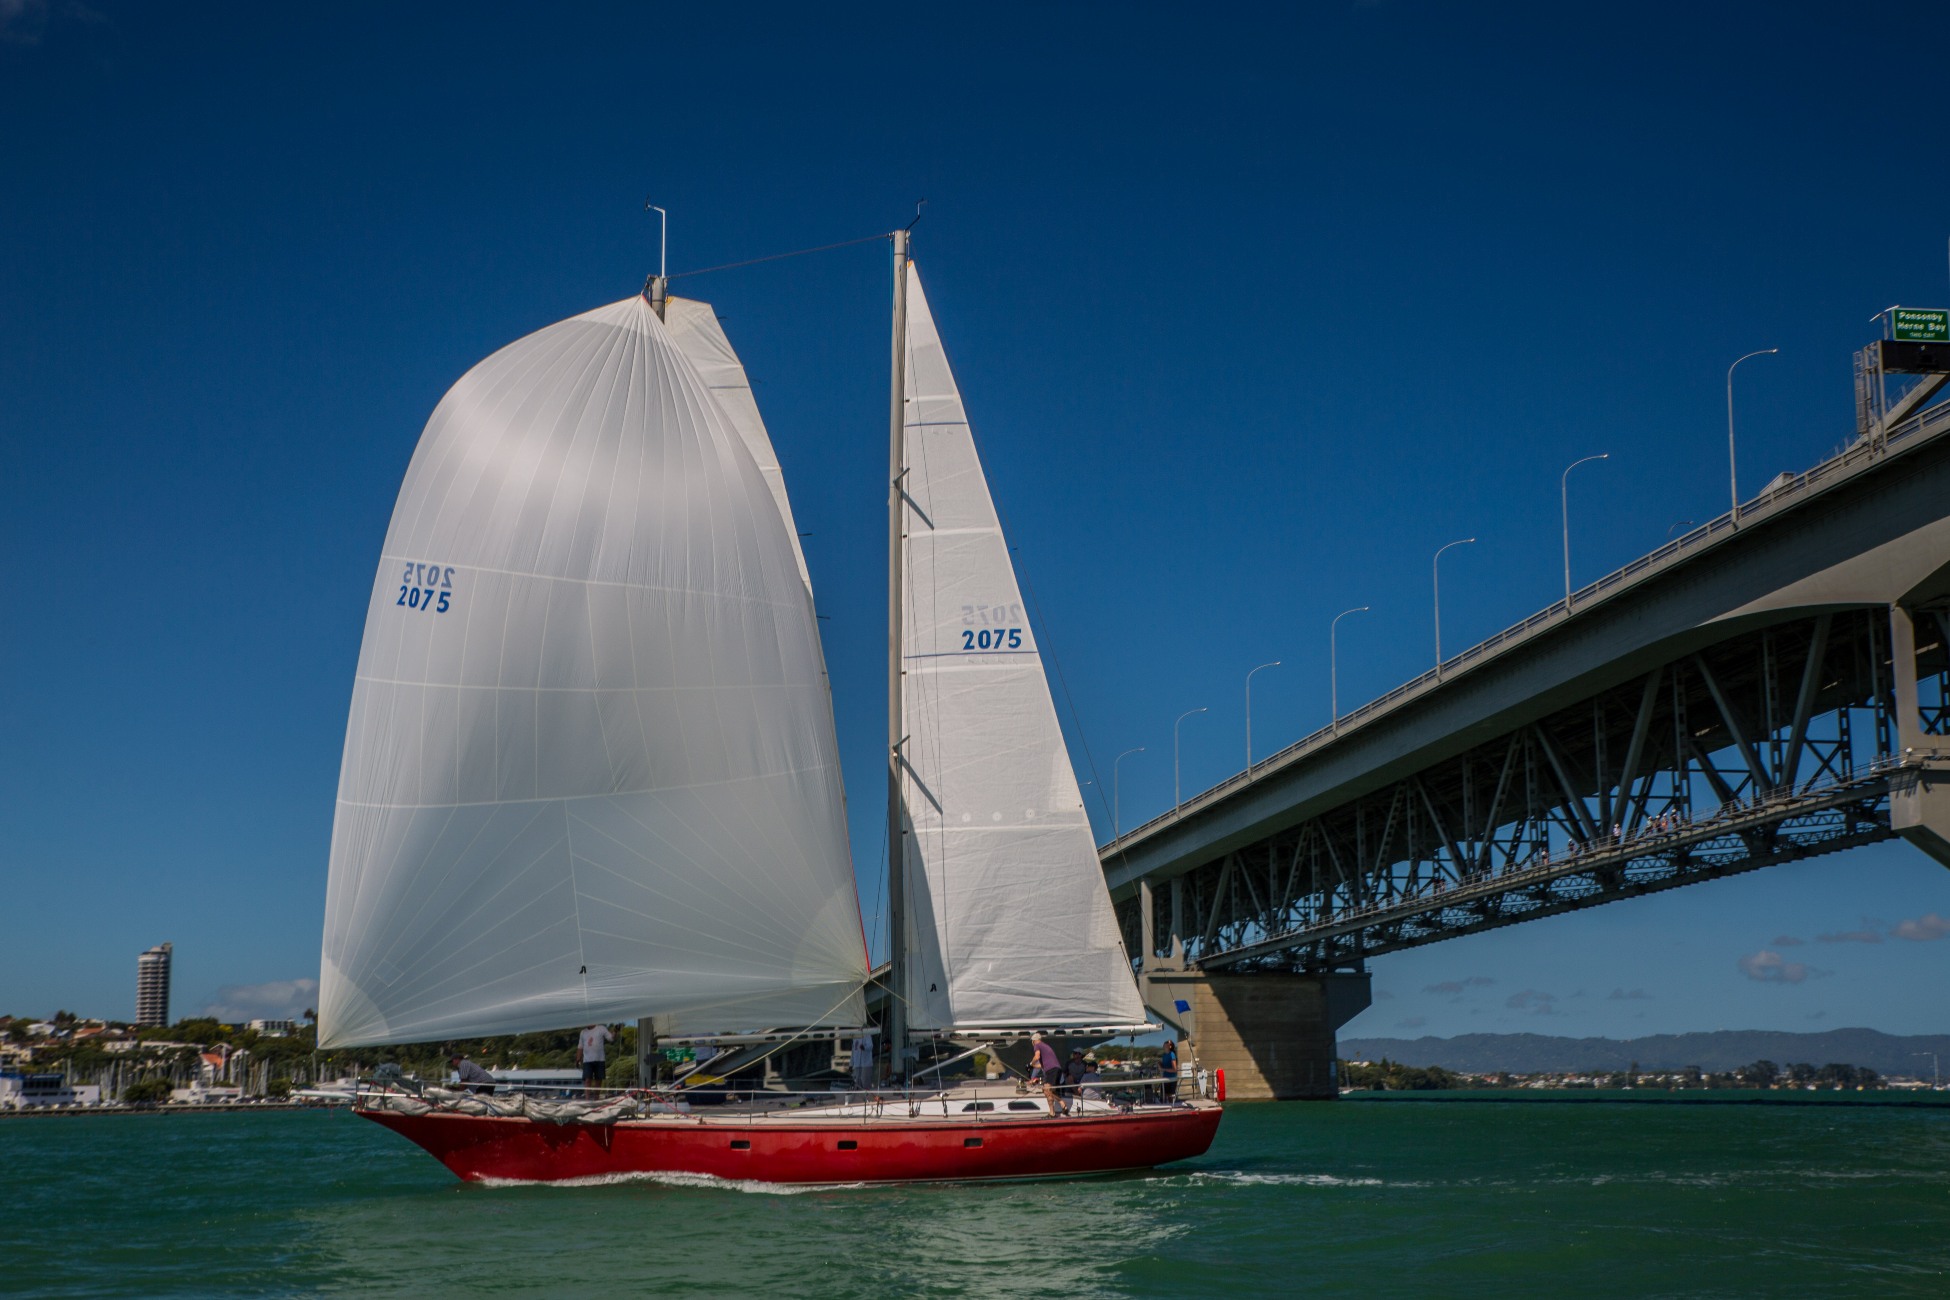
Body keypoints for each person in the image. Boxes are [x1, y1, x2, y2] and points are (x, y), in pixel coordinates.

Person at [577, 1023, 615, 1098]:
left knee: (598, 1080)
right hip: (587, 1060)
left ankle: (596, 1098)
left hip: (599, 1059)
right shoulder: (583, 1032)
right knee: (587, 1079)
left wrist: (615, 1031)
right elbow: (580, 1047)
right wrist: (578, 1059)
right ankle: (587, 1099)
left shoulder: (601, 1028)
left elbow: (611, 1038)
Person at [1028, 1033, 1064, 1113]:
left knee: (1046, 1090)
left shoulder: (1037, 1045)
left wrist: (1031, 1063)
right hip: (1056, 1070)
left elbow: (1037, 1057)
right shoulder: (1045, 1046)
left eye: (1032, 1042)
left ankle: (1059, 1105)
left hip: (1051, 1070)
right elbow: (1043, 1065)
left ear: (1034, 1041)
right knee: (1048, 1090)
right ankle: (1056, 1109)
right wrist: (1033, 1066)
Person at [1158, 1039, 1179, 1104]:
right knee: (1163, 1096)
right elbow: (1164, 1066)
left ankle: (1171, 1106)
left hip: (1171, 1079)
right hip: (1165, 1078)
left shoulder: (1171, 1054)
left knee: (1170, 1097)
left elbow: (1174, 1069)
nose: (1166, 1043)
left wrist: (1164, 1069)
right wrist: (1159, 1064)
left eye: (1168, 1043)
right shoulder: (1164, 1055)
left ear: (1170, 1046)